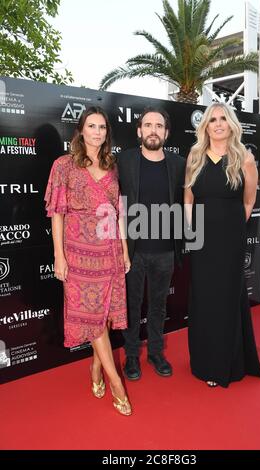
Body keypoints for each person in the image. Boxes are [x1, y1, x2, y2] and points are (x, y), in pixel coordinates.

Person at [45, 106, 132, 415]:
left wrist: (123, 249)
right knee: (93, 317)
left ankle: (96, 368)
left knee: (106, 315)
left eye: (102, 127)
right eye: (92, 126)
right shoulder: (64, 166)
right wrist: (59, 254)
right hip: (79, 253)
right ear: (81, 130)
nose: (98, 132)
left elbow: (117, 212)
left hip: (108, 250)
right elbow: (57, 213)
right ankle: (116, 384)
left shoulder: (111, 164)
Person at [184, 103, 260, 388]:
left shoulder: (244, 157)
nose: (218, 124)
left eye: (223, 119)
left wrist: (231, 228)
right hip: (202, 239)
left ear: (231, 124)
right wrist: (191, 229)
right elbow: (188, 199)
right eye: (212, 120)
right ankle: (206, 360)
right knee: (205, 298)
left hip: (231, 239)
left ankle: (227, 363)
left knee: (227, 297)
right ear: (205, 126)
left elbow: (248, 200)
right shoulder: (195, 156)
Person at [117, 107, 186, 380]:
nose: (153, 130)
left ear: (166, 133)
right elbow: (113, 202)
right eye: (148, 125)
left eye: (159, 126)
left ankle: (156, 351)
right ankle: (132, 355)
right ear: (139, 131)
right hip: (133, 251)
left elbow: (189, 202)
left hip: (166, 250)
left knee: (158, 305)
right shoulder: (124, 161)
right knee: (132, 305)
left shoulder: (179, 164)